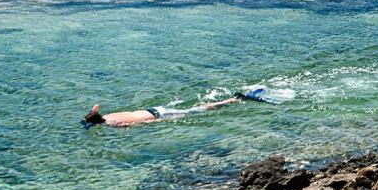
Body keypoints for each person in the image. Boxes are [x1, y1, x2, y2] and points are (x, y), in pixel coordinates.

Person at [83, 87, 269, 127]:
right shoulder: (106, 115)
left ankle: (233, 100)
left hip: (156, 116)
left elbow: (131, 126)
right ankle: (229, 100)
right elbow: (95, 108)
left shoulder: (111, 123)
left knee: (200, 110)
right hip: (154, 109)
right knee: (197, 107)